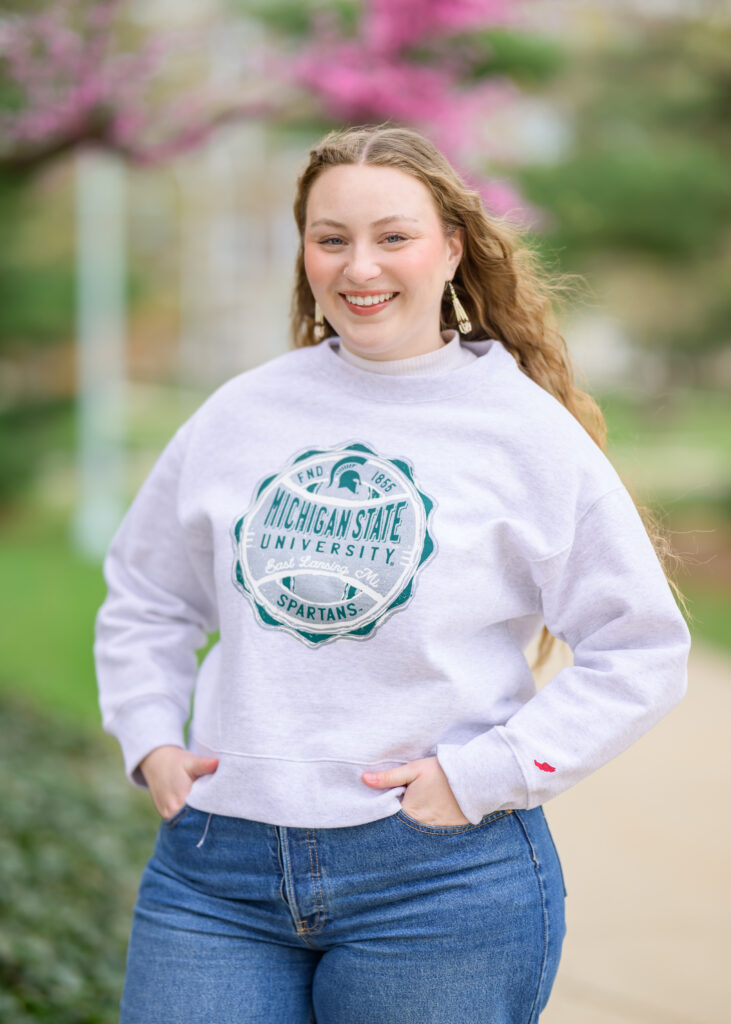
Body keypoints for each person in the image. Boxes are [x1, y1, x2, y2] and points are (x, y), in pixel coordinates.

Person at [94, 123, 691, 1024]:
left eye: (392, 237)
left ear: (450, 249)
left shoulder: (521, 431)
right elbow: (145, 596)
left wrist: (483, 774)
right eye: (330, 239)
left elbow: (639, 647)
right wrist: (147, 732)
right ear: (304, 254)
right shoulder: (240, 414)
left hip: (437, 885)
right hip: (215, 873)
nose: (359, 267)